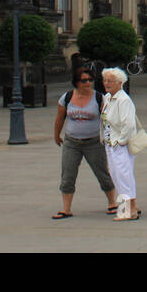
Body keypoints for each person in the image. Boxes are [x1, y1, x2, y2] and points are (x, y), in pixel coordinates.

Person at [51, 66, 118, 219]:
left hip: (94, 142)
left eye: (90, 80)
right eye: (84, 80)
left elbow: (108, 119)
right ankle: (66, 209)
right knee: (68, 174)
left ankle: (112, 202)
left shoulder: (99, 97)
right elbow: (59, 118)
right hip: (71, 142)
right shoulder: (67, 97)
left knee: (102, 172)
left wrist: (111, 138)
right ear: (76, 82)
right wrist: (56, 135)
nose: (88, 83)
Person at [100, 67, 141, 220]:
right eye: (105, 80)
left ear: (120, 82)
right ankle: (131, 207)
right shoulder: (109, 98)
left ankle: (127, 211)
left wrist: (120, 141)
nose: (106, 83)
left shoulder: (123, 100)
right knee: (118, 176)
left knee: (123, 177)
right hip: (110, 143)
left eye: (110, 81)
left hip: (119, 145)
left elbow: (129, 125)